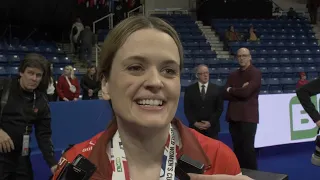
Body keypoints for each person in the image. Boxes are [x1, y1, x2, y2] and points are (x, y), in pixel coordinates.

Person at [52, 16, 252, 180]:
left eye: (168, 70)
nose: (156, 82)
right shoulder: (74, 166)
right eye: (135, 68)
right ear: (105, 84)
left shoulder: (219, 159)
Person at [0, 53, 57, 179]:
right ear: (21, 72)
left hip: (22, 157)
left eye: (38, 75)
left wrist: (52, 163)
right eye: (30, 73)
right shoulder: (4, 87)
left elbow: (44, 135)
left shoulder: (41, 100)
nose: (34, 78)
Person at [224, 47, 262, 170]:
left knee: (248, 149)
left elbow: (246, 93)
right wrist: (240, 90)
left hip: (248, 117)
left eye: (244, 55)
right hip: (233, 117)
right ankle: (240, 175)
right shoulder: (233, 74)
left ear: (250, 57)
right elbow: (224, 94)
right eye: (239, 56)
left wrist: (232, 90)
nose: (241, 58)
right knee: (237, 149)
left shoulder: (255, 73)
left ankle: (252, 176)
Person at [184, 64, 223, 139]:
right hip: (195, 129)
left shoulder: (217, 89)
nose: (205, 75)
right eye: (202, 73)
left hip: (212, 129)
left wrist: (210, 122)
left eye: (207, 73)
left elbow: (219, 109)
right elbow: (187, 109)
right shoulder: (189, 90)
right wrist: (195, 123)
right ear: (197, 75)